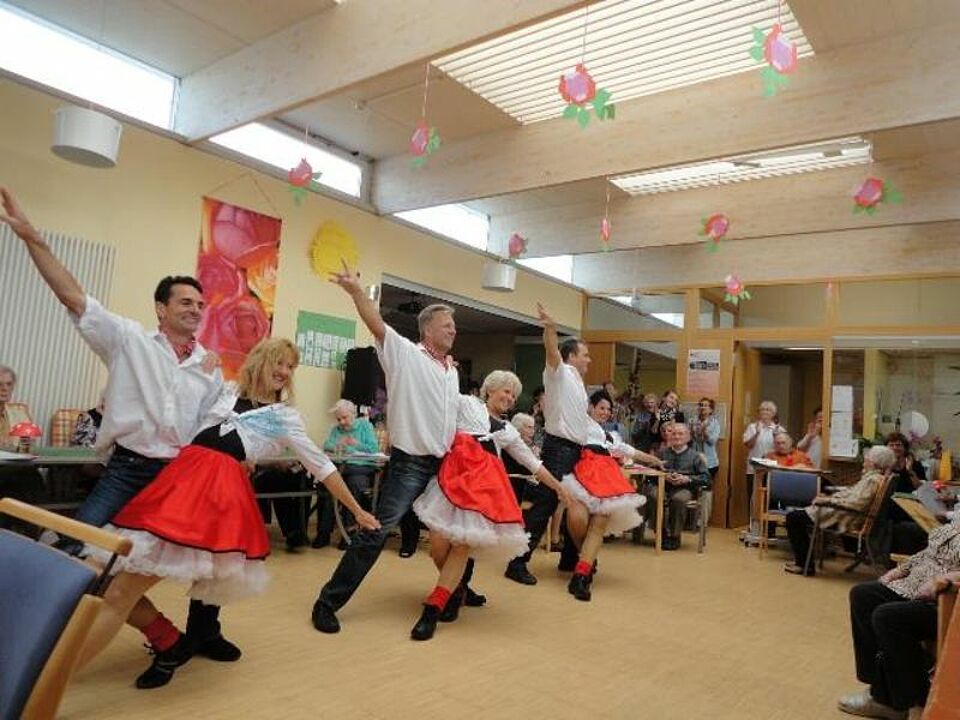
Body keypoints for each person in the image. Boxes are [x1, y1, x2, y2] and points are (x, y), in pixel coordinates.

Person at [1, 187, 243, 683]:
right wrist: (31, 237)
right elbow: (72, 296)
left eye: (200, 304)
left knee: (136, 577)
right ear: (160, 309)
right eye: (185, 302)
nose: (195, 309)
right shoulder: (129, 340)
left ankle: (168, 642)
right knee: (73, 557)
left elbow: (211, 429)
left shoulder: (209, 368)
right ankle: (165, 639)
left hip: (176, 481)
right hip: (127, 470)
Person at [79, 338, 379, 685]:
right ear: (259, 361)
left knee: (153, 583)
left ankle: (188, 638)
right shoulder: (224, 391)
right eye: (279, 362)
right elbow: (177, 410)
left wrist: (357, 510)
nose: (284, 371)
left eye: (290, 367)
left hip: (217, 498)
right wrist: (199, 369)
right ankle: (174, 641)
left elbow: (321, 465)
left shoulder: (284, 417)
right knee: (112, 579)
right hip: (177, 488)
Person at [311, 262, 460, 634]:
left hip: (445, 465)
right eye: (446, 325)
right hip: (410, 465)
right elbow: (376, 324)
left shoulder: (451, 370)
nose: (453, 330)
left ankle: (456, 590)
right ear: (427, 330)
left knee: (460, 532)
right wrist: (355, 291)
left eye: (453, 326)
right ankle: (326, 603)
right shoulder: (406, 354)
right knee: (375, 532)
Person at [409, 371, 568, 639]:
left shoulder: (508, 431)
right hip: (452, 481)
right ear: (490, 389)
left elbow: (532, 462)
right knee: (438, 546)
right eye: (506, 391)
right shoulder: (467, 404)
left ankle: (433, 609)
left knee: (461, 545)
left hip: (483, 491)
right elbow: (438, 396)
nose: (510, 398)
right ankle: (457, 589)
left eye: (514, 395)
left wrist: (559, 487)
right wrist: (444, 370)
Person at [839, 514, 960, 718]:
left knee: (888, 618)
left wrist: (948, 578)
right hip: (914, 587)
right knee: (863, 596)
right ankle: (881, 692)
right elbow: (929, 552)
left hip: (948, 599)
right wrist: (901, 570)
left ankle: (915, 703)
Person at [504, 304, 590, 586]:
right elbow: (552, 351)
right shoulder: (559, 372)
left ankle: (569, 558)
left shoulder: (578, 383)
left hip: (573, 451)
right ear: (571, 356)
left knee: (574, 503)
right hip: (558, 450)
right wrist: (550, 328)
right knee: (545, 504)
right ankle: (517, 562)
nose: (589, 360)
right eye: (585, 355)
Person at [563, 390, 661, 600]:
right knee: (577, 520)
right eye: (602, 408)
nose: (606, 412)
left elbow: (629, 450)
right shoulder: (579, 423)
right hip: (581, 475)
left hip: (607, 479)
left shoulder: (609, 436)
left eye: (609, 409)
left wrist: (655, 460)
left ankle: (581, 576)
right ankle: (587, 558)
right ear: (590, 407)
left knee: (598, 525)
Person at [783, 445, 896, 576]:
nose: (865, 458)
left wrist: (829, 501)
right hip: (844, 512)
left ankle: (804, 565)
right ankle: (803, 562)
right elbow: (854, 495)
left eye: (868, 456)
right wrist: (830, 497)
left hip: (845, 517)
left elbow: (856, 503)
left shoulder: (872, 480)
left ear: (875, 462)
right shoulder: (872, 478)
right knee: (798, 515)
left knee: (794, 518)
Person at [323, 398, 380, 545]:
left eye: (345, 417)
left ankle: (349, 533)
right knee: (329, 486)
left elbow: (373, 448)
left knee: (353, 483)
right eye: (338, 419)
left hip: (361, 467)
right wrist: (338, 444)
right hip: (342, 468)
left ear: (353, 414)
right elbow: (327, 445)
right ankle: (323, 532)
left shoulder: (365, 426)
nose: (342, 422)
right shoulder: (336, 430)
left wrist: (355, 445)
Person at [644, 423, 709, 550]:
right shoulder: (661, 454)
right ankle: (661, 533)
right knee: (653, 495)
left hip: (685, 488)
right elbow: (649, 474)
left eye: (680, 434)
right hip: (663, 486)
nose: (677, 436)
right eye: (673, 433)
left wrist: (687, 479)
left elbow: (706, 479)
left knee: (679, 499)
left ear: (688, 437)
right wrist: (664, 475)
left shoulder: (695, 456)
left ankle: (674, 535)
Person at [742, 400, 786, 523]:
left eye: (768, 410)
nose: (765, 412)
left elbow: (783, 449)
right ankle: (752, 525)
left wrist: (776, 435)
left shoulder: (779, 429)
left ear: (773, 413)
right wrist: (757, 433)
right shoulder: (752, 427)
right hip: (753, 469)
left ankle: (768, 527)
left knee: (770, 498)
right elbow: (748, 445)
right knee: (753, 497)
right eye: (762, 409)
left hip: (773, 470)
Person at [689, 397, 721, 482]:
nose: (702, 407)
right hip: (694, 460)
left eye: (706, 405)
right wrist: (691, 433)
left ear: (711, 410)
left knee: (706, 486)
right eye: (701, 405)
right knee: (693, 485)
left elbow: (712, 442)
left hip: (710, 462)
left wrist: (704, 432)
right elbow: (687, 441)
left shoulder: (715, 423)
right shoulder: (692, 421)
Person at [0, 365, 31, 450]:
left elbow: (27, 446)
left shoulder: (21, 413)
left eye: (9, 384)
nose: (5, 388)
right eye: (0, 384)